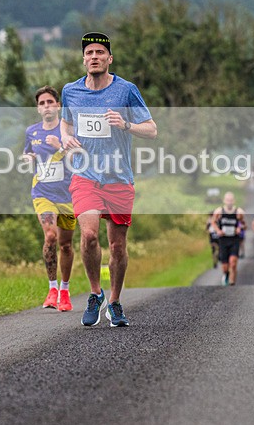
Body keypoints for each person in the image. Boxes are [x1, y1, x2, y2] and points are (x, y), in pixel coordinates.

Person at [60, 32, 157, 327]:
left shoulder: (126, 90)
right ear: (83, 59)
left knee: (117, 247)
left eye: (99, 53)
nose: (94, 57)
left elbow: (151, 129)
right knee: (88, 235)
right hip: (85, 175)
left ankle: (114, 301)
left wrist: (126, 124)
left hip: (118, 178)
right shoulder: (70, 91)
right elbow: (65, 122)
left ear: (109, 59)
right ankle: (95, 293)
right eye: (89, 53)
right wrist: (65, 136)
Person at [23, 86, 76, 311]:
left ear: (58, 106)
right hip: (42, 193)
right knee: (51, 236)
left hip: (68, 195)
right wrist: (27, 158)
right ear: (38, 109)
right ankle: (52, 288)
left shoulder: (69, 131)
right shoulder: (32, 132)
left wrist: (60, 146)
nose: (46, 106)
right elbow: (28, 154)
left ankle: (65, 290)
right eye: (42, 103)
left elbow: (80, 158)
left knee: (65, 245)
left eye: (50, 102)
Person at [211, 191, 246, 286]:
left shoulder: (239, 212)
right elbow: (213, 222)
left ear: (234, 201)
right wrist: (218, 230)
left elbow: (243, 224)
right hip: (223, 240)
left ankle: (232, 282)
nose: (229, 202)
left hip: (234, 239)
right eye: (227, 200)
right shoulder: (219, 211)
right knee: (225, 266)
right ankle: (226, 274)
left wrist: (239, 228)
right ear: (224, 201)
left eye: (231, 200)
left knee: (233, 263)